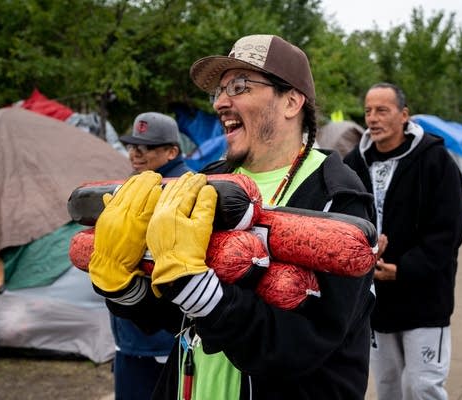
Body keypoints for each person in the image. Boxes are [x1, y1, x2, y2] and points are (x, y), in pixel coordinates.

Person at [89, 34, 379, 399]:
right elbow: (173, 315)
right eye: (220, 91)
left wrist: (199, 289)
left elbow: (307, 343)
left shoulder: (337, 195)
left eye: (240, 86)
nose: (221, 103)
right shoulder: (208, 180)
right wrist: (123, 287)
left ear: (291, 101)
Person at [343, 82, 462, 400]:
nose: (372, 118)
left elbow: (449, 231)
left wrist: (404, 268)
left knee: (423, 386)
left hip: (424, 298)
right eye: (368, 110)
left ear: (404, 115)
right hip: (375, 301)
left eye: (382, 110)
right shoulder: (354, 164)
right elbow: (341, 222)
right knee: (386, 386)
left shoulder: (435, 161)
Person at [110, 112, 192, 400]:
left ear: (171, 151)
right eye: (132, 145)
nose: (135, 152)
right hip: (132, 334)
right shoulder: (140, 184)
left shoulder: (185, 190)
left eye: (146, 147)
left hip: (162, 335)